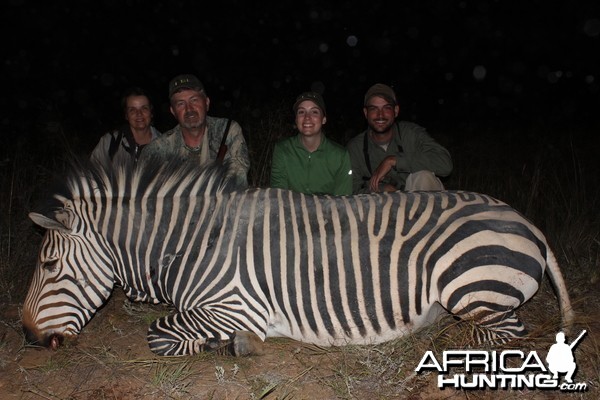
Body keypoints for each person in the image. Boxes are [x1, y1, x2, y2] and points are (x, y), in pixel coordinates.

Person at [141, 74, 250, 187]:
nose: (189, 109)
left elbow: (238, 179)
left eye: (194, 100)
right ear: (173, 111)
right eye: (181, 104)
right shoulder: (156, 151)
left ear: (206, 103)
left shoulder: (228, 131)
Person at [346, 83, 453, 194]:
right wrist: (382, 189)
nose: (380, 115)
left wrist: (394, 161)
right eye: (374, 109)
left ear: (396, 111)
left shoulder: (411, 133)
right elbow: (350, 188)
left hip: (419, 202)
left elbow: (445, 165)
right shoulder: (355, 148)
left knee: (423, 177)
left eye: (386, 108)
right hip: (382, 207)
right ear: (365, 113)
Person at [270, 91, 352, 196]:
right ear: (296, 120)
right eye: (301, 112)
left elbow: (343, 199)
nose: (307, 117)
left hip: (328, 211)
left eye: (314, 112)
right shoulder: (282, 149)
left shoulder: (340, 155)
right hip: (291, 210)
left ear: (324, 119)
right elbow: (279, 196)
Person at [90, 87, 161, 165]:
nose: (139, 114)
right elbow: (92, 172)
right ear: (126, 115)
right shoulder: (110, 142)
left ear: (151, 113)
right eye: (132, 110)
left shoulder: (165, 144)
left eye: (144, 108)